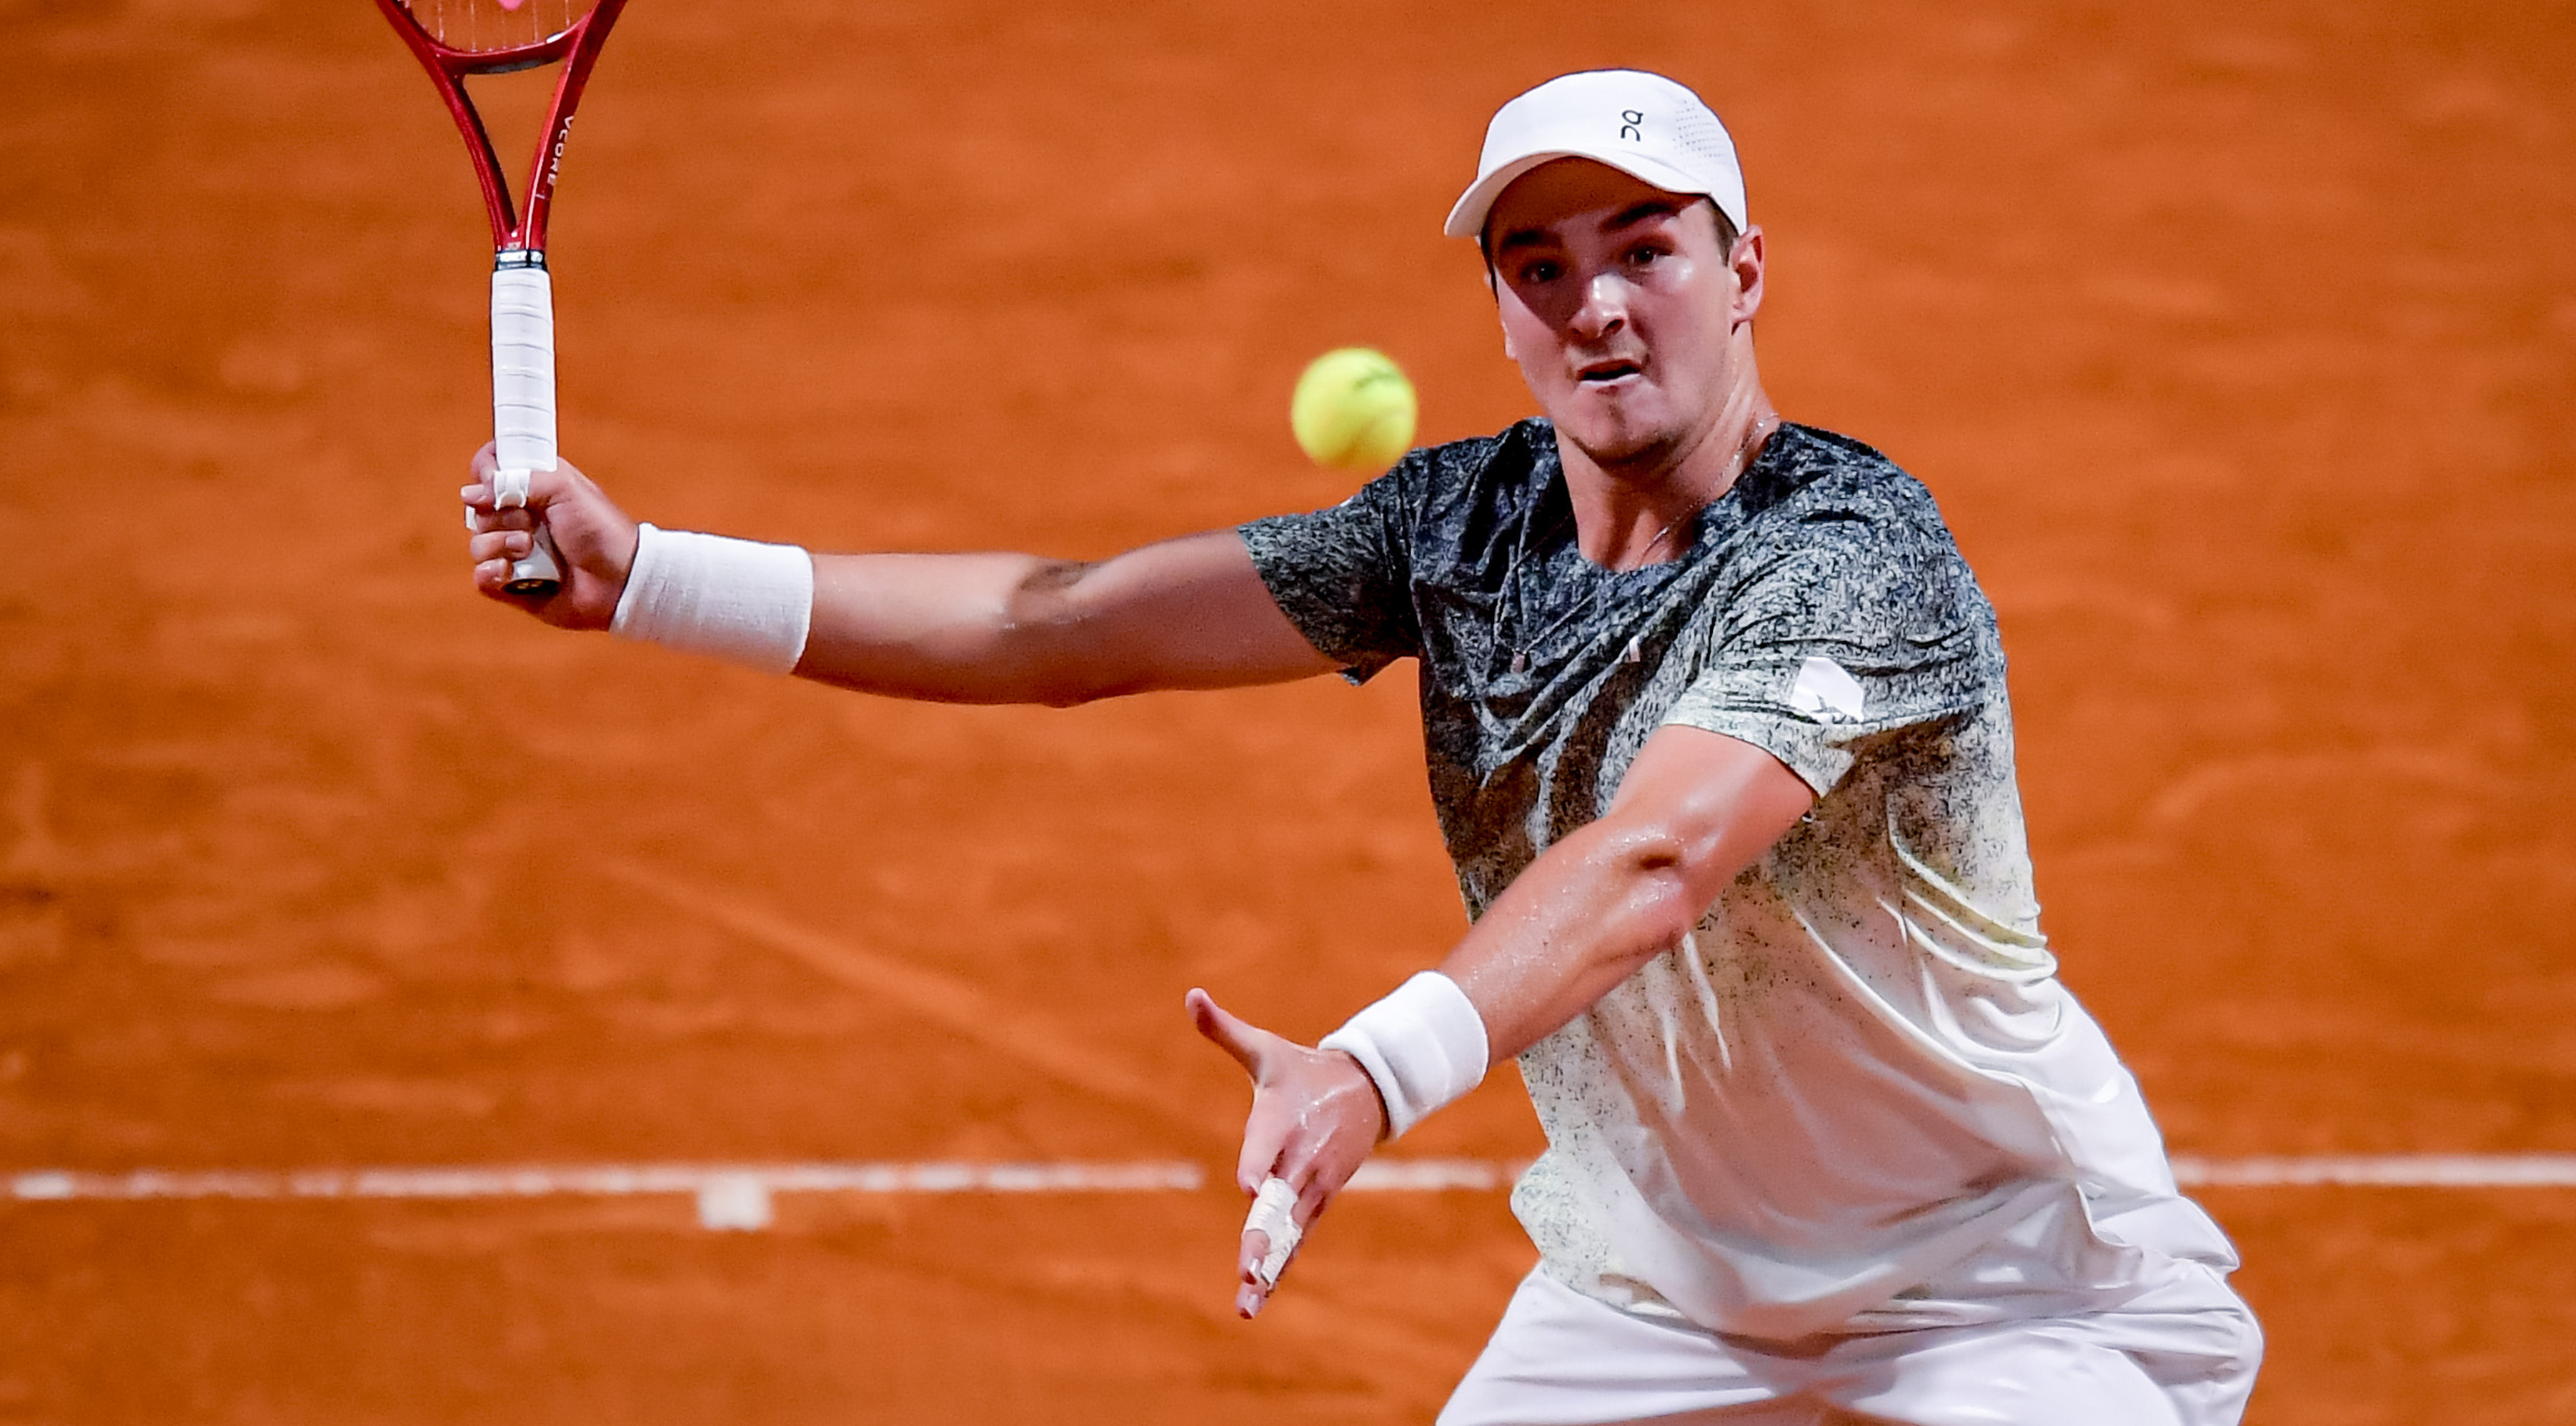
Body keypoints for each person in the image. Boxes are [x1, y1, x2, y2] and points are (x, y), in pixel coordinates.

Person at [464, 69, 2262, 1424]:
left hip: (2001, 1295)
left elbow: (1653, 859)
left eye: (1647, 250)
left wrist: (1371, 1064)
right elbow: (1060, 626)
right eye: (1540, 266)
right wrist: (652, 580)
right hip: (1660, 1290)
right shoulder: (1449, 533)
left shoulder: (1853, 556)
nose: (1599, 307)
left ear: (1745, 270)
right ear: (1496, 304)